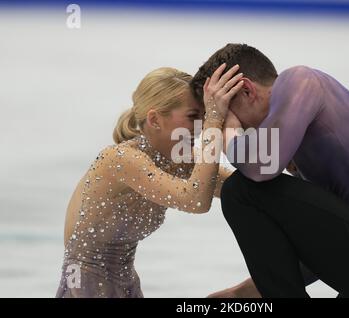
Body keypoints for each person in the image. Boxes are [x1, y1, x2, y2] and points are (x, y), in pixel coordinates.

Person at [190, 43, 349, 298]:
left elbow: (260, 168)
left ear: (247, 90)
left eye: (224, 113)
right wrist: (244, 291)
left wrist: (230, 133)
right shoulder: (296, 141)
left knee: (242, 190)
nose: (225, 126)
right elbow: (327, 242)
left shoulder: (301, 81)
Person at [56, 65, 243, 297]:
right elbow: (196, 200)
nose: (202, 125)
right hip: (85, 285)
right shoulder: (120, 159)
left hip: (127, 285)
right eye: (194, 116)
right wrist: (214, 120)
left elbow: (241, 189)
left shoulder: (178, 159)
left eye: (204, 116)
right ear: (155, 119)